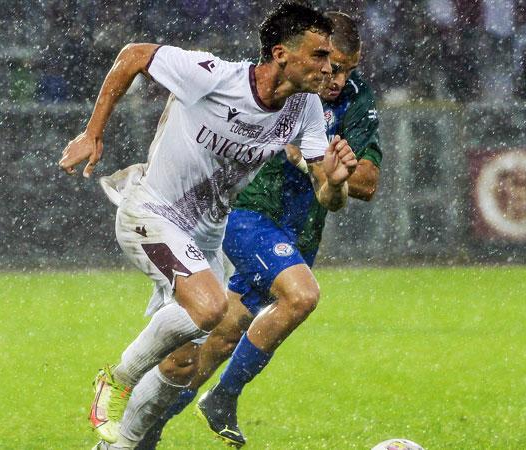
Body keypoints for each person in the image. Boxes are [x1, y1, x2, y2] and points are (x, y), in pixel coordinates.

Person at [59, 3, 358, 449]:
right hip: (151, 213)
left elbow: (328, 198)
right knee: (211, 308)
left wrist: (335, 183)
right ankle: (117, 379)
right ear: (281, 54)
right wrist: (93, 132)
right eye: (318, 55)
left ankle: (118, 447)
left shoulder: (306, 109)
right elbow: (134, 55)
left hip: (204, 238)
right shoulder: (216, 77)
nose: (329, 67)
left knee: (181, 364)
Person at [134, 11, 382, 449]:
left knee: (221, 338)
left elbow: (366, 183)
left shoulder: (356, 99)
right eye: (332, 65)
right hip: (249, 213)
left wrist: (324, 170)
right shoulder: (281, 87)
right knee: (301, 295)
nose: (337, 78)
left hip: (298, 229)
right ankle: (223, 397)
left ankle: (146, 425)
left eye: (348, 69)